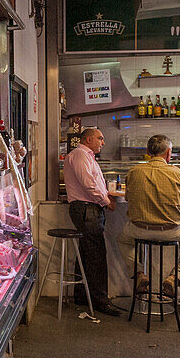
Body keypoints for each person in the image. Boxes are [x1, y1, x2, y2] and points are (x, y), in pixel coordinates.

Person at [119, 135, 180, 298]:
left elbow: (128, 199)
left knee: (122, 240)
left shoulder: (134, 171)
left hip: (138, 229)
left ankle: (138, 274)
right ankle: (175, 278)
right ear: (168, 153)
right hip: (171, 231)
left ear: (148, 152)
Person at [63, 127, 121, 316]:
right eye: (100, 138)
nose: (103, 142)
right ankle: (100, 301)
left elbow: (93, 183)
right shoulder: (80, 154)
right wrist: (107, 202)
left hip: (87, 208)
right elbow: (89, 185)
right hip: (86, 208)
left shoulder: (86, 155)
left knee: (87, 252)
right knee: (96, 255)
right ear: (88, 139)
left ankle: (82, 295)